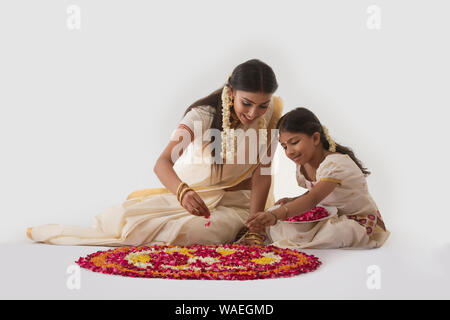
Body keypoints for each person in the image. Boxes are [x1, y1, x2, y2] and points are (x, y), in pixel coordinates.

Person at [26, 59, 283, 246]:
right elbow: (162, 162)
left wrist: (254, 225)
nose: (253, 113)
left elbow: (263, 172)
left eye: (262, 105)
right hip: (198, 197)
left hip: (241, 203)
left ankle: (238, 229)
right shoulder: (202, 116)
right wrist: (183, 193)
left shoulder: (271, 114)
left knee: (199, 234)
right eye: (246, 103)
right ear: (231, 92)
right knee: (126, 221)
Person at [245, 107, 390, 249]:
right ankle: (299, 235)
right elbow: (315, 192)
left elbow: (313, 198)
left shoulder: (335, 164)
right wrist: (292, 201)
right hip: (329, 213)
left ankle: (302, 237)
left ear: (315, 138)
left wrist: (275, 215)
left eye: (294, 142)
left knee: (337, 232)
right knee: (280, 210)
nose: (289, 152)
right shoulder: (304, 165)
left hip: (356, 220)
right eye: (284, 147)